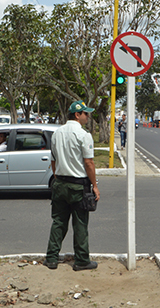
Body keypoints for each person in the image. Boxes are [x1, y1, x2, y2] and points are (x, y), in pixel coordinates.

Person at [45, 100, 100, 271]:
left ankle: (52, 258)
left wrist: (58, 177)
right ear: (77, 115)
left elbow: (53, 161)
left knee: (58, 222)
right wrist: (95, 185)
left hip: (60, 183)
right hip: (78, 186)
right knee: (80, 224)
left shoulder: (57, 133)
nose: (87, 117)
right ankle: (82, 260)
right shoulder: (84, 135)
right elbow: (89, 163)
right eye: (86, 114)